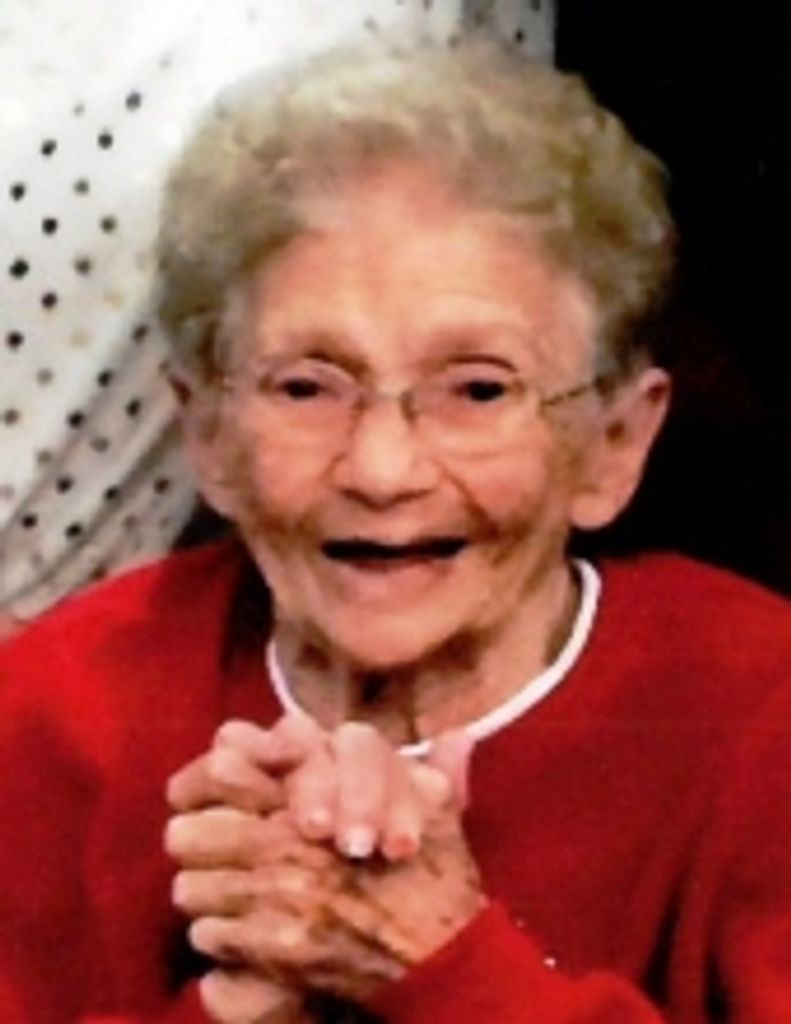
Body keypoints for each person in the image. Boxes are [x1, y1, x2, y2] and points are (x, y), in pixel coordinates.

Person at [1, 32, 790, 1024]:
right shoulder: (58, 709)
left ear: (612, 443)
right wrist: (241, 1005)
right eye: (306, 387)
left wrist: (443, 965)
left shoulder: (760, 710)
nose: (381, 469)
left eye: (477, 389)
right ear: (208, 433)